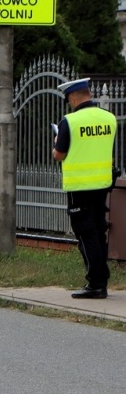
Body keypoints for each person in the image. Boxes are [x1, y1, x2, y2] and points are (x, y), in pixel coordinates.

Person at [52, 78, 117, 299]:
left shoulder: (69, 122)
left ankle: (96, 284)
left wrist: (55, 142)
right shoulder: (109, 118)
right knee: (99, 232)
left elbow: (59, 154)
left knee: (86, 234)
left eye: (68, 99)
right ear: (88, 93)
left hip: (79, 187)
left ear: (72, 97)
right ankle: (102, 279)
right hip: (102, 185)